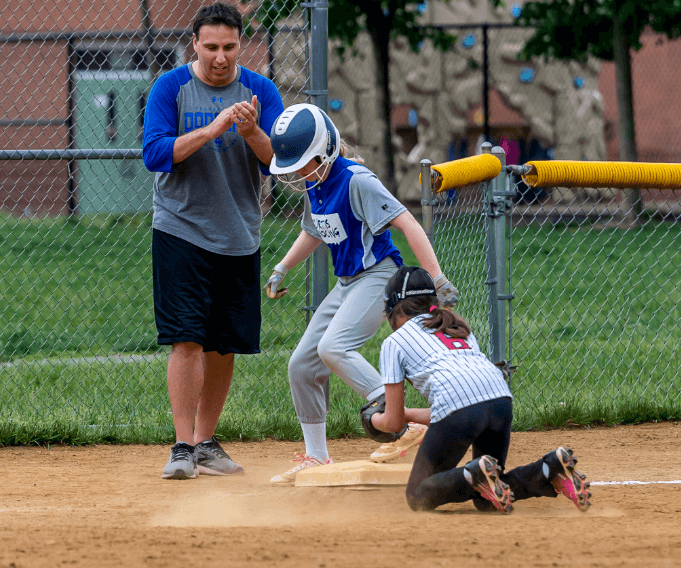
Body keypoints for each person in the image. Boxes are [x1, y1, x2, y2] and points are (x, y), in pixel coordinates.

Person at [263, 103, 460, 485]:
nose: (298, 172)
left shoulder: (357, 180)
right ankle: (316, 458)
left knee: (332, 348)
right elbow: (314, 230)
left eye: (305, 162)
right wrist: (282, 267)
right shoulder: (314, 181)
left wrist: (437, 277)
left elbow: (406, 221)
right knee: (302, 365)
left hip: (379, 275)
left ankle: (401, 424)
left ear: (328, 150)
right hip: (348, 281)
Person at [142, 1, 285, 480]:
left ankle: (206, 442)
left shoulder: (260, 90)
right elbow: (156, 154)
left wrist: (251, 132)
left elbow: (277, 163)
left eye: (229, 47)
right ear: (195, 45)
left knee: (223, 345)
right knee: (187, 339)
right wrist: (211, 128)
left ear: (241, 44)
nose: (220, 57)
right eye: (210, 47)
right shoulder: (172, 87)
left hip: (239, 235)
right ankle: (181, 447)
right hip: (180, 228)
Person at [367, 265, 592, 514]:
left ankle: (472, 474)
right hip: (500, 400)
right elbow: (449, 409)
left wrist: (372, 419)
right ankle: (550, 469)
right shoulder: (455, 325)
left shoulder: (394, 342)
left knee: (418, 495)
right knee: (488, 494)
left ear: (392, 309)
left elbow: (393, 423)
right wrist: (409, 413)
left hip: (460, 409)